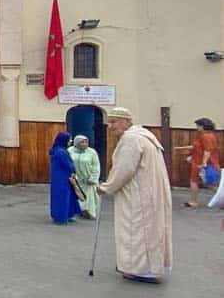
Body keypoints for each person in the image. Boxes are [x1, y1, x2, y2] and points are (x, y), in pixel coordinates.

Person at [99, 107, 172, 284]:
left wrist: (106, 187)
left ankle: (139, 269)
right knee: (150, 231)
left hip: (138, 196)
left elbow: (124, 169)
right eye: (109, 122)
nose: (110, 126)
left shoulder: (131, 139)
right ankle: (149, 267)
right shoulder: (144, 137)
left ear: (127, 122)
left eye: (114, 122)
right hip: (150, 193)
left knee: (136, 231)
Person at [174, 117, 219, 209]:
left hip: (203, 163)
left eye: (198, 126)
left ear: (202, 126)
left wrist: (204, 163)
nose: (197, 128)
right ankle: (193, 201)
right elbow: (196, 147)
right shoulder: (206, 136)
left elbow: (208, 150)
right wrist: (181, 148)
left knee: (209, 184)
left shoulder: (206, 137)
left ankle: (194, 201)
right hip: (199, 162)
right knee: (201, 182)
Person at [49, 132, 81, 224]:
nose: (70, 141)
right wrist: (73, 170)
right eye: (69, 139)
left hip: (58, 177)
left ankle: (63, 215)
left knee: (63, 196)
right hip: (63, 177)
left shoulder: (56, 150)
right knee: (63, 197)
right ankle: (61, 217)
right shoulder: (61, 152)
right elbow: (68, 165)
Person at [68, 135, 101, 219]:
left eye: (86, 142)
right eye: (82, 142)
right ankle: (79, 211)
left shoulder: (92, 152)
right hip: (76, 180)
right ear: (76, 143)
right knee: (77, 196)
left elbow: (96, 166)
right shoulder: (70, 151)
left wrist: (93, 178)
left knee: (89, 198)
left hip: (88, 180)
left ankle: (89, 213)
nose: (84, 144)